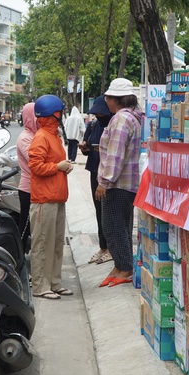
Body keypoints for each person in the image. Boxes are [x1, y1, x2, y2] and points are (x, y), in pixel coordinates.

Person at [96, 78, 142, 288]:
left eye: (108, 97)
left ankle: (125, 268)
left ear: (115, 99)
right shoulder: (133, 117)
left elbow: (115, 155)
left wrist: (104, 182)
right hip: (128, 183)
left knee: (113, 228)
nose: (106, 100)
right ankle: (120, 265)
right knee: (120, 226)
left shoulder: (121, 119)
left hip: (118, 184)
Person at [28, 95, 74, 300]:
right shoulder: (41, 137)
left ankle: (54, 282)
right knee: (42, 244)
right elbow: (35, 166)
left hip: (57, 197)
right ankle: (40, 285)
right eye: (60, 112)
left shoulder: (53, 135)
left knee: (55, 244)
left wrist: (62, 168)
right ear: (55, 114)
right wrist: (58, 167)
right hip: (44, 200)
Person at [79, 96, 113, 265]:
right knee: (99, 210)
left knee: (110, 213)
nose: (98, 116)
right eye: (96, 113)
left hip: (109, 175)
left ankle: (112, 248)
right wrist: (85, 148)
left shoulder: (114, 124)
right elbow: (87, 145)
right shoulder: (93, 125)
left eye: (101, 113)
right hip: (95, 171)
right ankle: (103, 246)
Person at [16, 102, 38, 251]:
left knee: (33, 226)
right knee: (25, 226)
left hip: (37, 188)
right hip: (28, 189)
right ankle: (19, 259)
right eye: (37, 115)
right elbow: (35, 162)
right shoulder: (26, 138)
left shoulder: (36, 135)